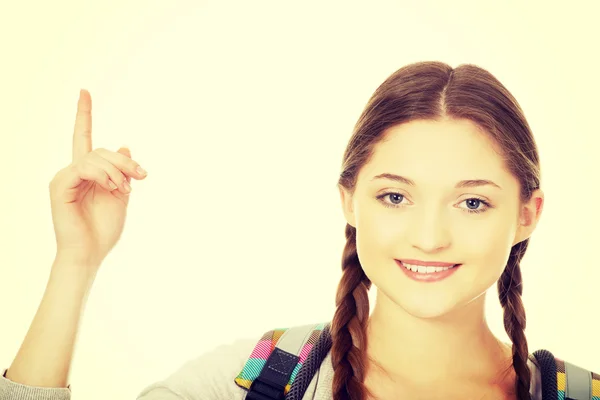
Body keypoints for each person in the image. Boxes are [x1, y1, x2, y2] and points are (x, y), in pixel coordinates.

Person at [1, 61, 597, 400]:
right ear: (350, 201)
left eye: (471, 202)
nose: (429, 236)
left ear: (528, 213)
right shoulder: (252, 382)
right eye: (395, 196)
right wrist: (75, 263)